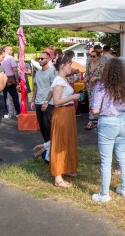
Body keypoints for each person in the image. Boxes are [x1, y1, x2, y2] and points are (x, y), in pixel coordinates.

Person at [91, 58, 125, 202]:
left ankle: (104, 194)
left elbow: (95, 110)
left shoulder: (101, 87)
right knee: (122, 156)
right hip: (123, 122)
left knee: (106, 160)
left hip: (107, 123)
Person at [50, 55, 81, 188]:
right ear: (63, 66)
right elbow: (56, 102)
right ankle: (58, 177)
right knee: (60, 142)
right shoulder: (59, 80)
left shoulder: (62, 79)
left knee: (68, 140)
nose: (71, 67)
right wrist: (72, 97)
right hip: (62, 113)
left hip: (67, 113)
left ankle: (66, 167)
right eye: (69, 65)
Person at [30, 51, 56, 142]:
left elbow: (53, 88)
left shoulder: (52, 72)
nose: (40, 60)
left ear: (48, 59)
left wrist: (46, 101)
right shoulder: (38, 72)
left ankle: (50, 146)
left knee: (47, 125)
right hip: (38, 101)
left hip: (48, 102)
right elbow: (36, 86)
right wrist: (33, 100)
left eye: (42, 58)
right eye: (39, 59)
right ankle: (47, 145)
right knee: (42, 126)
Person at [0, 45, 21, 118]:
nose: (12, 51)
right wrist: (17, 79)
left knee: (3, 96)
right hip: (11, 78)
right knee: (15, 96)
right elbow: (15, 69)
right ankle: (18, 112)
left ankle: (5, 112)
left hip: (2, 77)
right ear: (7, 50)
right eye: (11, 50)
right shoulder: (10, 58)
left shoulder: (1, 58)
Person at [85, 50, 103, 130]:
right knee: (90, 103)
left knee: (98, 103)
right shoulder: (89, 65)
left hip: (99, 87)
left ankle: (96, 121)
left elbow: (105, 77)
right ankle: (91, 120)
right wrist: (85, 82)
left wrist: (97, 78)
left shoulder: (101, 66)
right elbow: (87, 75)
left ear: (98, 57)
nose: (92, 57)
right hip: (91, 87)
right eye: (91, 56)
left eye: (94, 56)